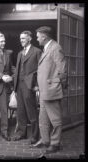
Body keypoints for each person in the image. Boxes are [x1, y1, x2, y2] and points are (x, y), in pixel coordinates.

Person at [33, 26, 67, 154]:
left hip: (51, 90)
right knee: (43, 118)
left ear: (44, 36)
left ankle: (55, 143)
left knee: (55, 119)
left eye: (38, 36)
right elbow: (44, 69)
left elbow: (62, 69)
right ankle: (45, 140)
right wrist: (38, 85)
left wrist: (58, 86)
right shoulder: (47, 48)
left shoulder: (55, 48)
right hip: (44, 90)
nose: (37, 39)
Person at [12, 31, 41, 144]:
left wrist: (37, 86)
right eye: (20, 39)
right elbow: (18, 70)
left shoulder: (37, 51)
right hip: (19, 85)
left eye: (23, 38)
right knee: (21, 111)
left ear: (30, 38)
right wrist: (14, 86)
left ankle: (35, 135)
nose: (21, 40)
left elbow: (40, 70)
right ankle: (21, 133)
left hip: (30, 86)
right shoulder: (20, 53)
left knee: (32, 111)